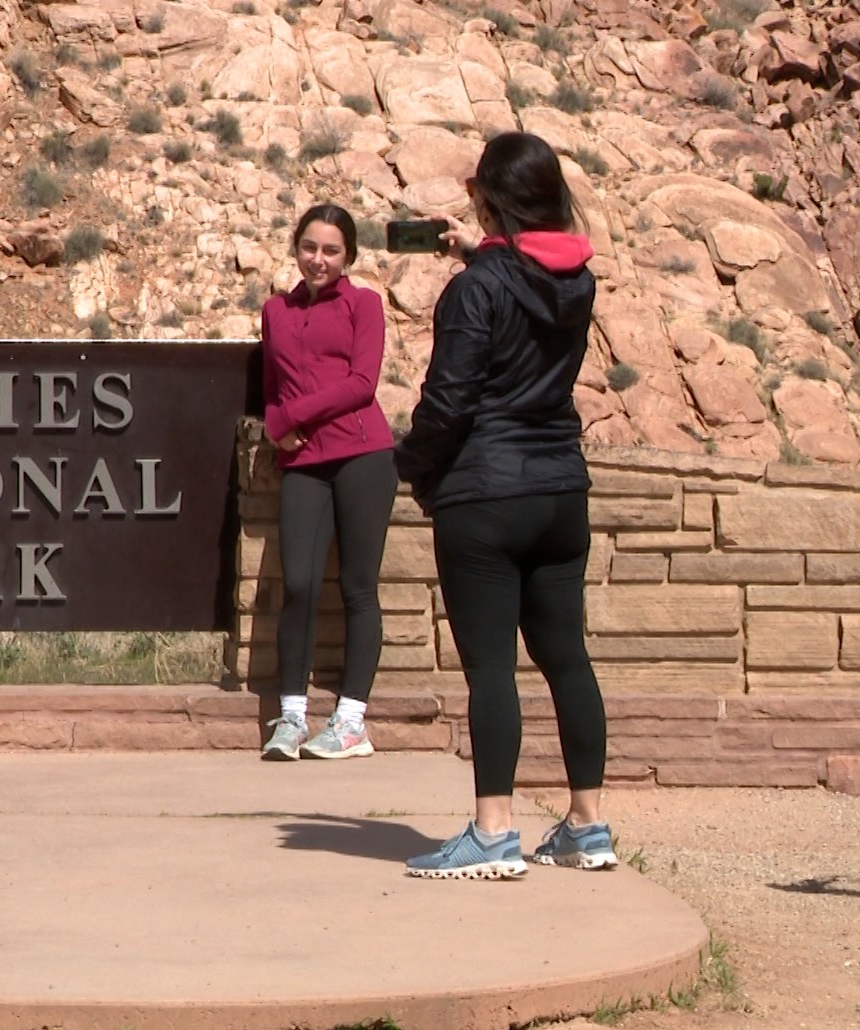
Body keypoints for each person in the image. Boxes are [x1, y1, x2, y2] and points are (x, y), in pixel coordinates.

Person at [395, 132, 612, 878]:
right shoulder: (577, 280)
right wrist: (480, 251)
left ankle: (493, 833)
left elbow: (449, 399)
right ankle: (587, 826)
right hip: (561, 487)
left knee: (491, 668)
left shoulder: (475, 290)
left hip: (486, 491)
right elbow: (533, 280)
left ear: (489, 198)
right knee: (567, 660)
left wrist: (413, 467)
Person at [258, 204, 398, 762]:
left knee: (359, 588)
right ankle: (291, 717)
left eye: (331, 250)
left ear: (348, 258)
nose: (318, 259)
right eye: (310, 247)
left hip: (364, 453)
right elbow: (272, 386)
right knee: (299, 586)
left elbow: (362, 384)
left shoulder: (365, 304)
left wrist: (294, 415)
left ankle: (350, 721)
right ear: (296, 248)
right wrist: (276, 423)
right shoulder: (276, 311)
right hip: (303, 462)